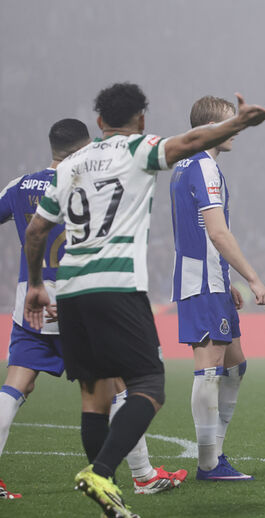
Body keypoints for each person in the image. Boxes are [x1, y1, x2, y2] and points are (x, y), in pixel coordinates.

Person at [24, 83, 265, 517]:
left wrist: (35, 285)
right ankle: (107, 470)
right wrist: (238, 121)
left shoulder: (70, 164)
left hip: (72, 289)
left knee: (94, 396)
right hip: (117, 285)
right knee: (150, 386)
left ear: (99, 122)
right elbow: (191, 140)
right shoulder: (140, 150)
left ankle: (109, 497)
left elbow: (35, 231)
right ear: (141, 120)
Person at [0, 119, 186, 500]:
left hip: (32, 307)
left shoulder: (21, 186)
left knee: (15, 386)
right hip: (80, 300)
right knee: (120, 385)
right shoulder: (84, 180)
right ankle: (142, 475)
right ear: (81, 147)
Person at [170, 95, 265, 482]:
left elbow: (196, 231)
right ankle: (209, 463)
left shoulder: (183, 166)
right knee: (209, 369)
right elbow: (216, 231)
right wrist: (252, 276)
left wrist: (226, 279)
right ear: (213, 128)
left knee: (234, 364)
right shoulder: (205, 168)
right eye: (232, 123)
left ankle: (215, 453)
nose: (238, 130)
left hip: (209, 279)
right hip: (202, 281)